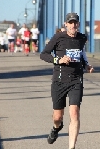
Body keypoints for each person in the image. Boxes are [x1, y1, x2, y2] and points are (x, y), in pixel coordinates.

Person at [40, 13, 94, 149]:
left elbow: (81, 53)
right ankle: (56, 127)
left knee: (74, 113)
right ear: (66, 24)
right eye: (70, 23)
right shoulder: (58, 37)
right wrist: (58, 60)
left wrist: (87, 65)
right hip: (59, 80)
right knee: (58, 117)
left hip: (76, 79)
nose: (73, 25)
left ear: (78, 24)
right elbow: (44, 54)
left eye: (75, 23)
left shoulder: (82, 38)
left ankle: (71, 147)